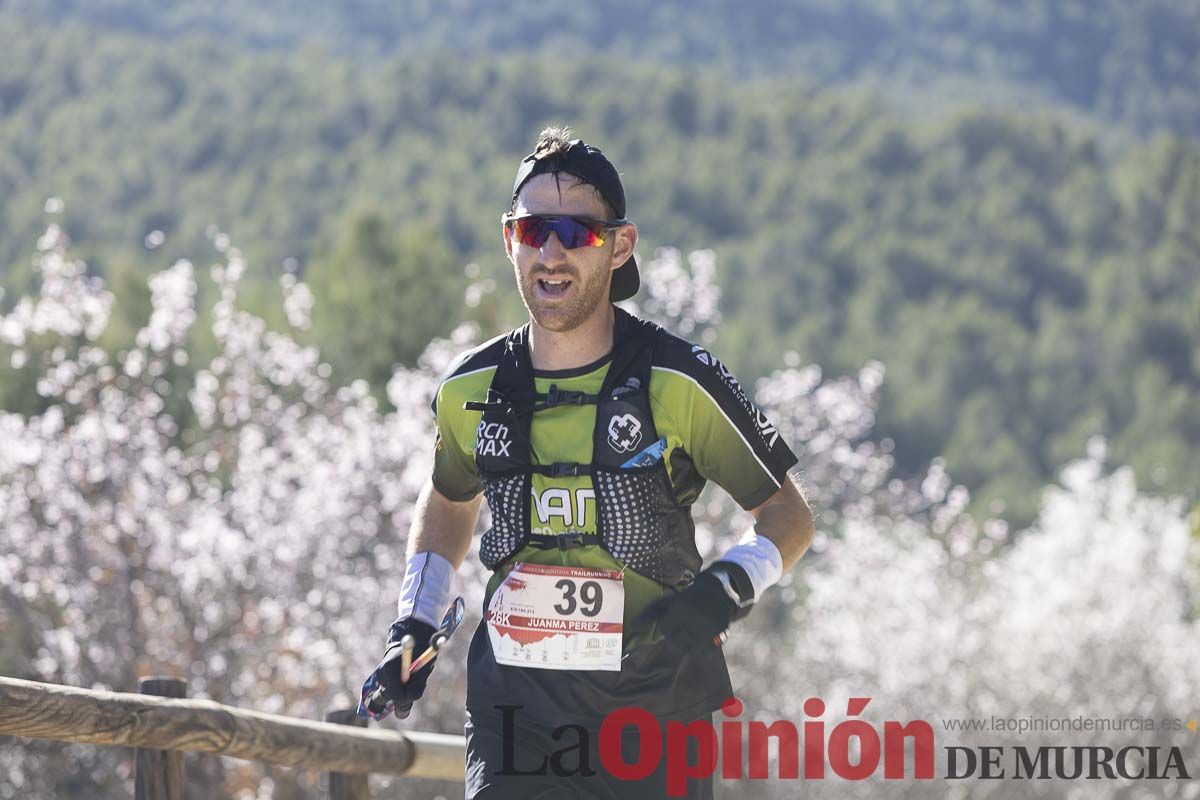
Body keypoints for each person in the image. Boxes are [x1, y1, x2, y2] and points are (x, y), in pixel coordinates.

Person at [368, 127, 814, 798]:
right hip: (516, 713)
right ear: (508, 240)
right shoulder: (470, 388)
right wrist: (415, 620)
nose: (551, 253)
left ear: (620, 245)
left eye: (577, 232)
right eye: (531, 231)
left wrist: (728, 586)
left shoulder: (678, 379)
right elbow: (450, 503)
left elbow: (788, 514)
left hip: (659, 714)